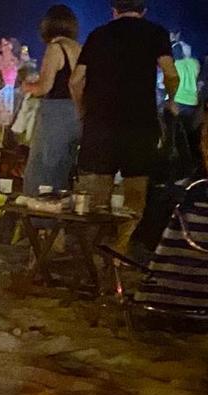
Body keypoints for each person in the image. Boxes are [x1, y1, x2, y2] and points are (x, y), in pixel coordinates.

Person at [70, 0, 180, 254]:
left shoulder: (98, 34)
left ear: (113, 10)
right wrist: (170, 100)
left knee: (95, 199)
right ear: (143, 11)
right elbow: (171, 74)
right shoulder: (156, 32)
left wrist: (82, 111)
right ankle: (119, 252)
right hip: (139, 125)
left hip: (99, 124)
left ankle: (92, 255)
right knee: (134, 197)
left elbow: (76, 80)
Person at [21, 5, 82, 196]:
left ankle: (39, 219)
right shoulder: (79, 48)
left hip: (56, 113)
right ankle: (59, 217)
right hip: (77, 112)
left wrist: (27, 86)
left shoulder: (55, 48)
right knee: (63, 168)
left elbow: (45, 86)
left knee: (42, 168)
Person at [172, 39, 201, 165]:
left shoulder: (176, 64)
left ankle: (183, 161)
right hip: (193, 102)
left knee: (178, 134)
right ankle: (194, 159)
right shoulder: (195, 63)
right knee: (190, 132)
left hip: (179, 100)